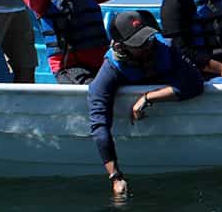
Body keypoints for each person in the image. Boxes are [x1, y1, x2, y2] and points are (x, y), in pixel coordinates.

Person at [87, 10, 206, 198]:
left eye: (148, 38)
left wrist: (148, 98)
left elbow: (195, 84)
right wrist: (115, 177)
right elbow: (99, 126)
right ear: (120, 46)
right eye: (139, 43)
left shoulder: (165, 48)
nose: (148, 45)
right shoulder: (110, 69)